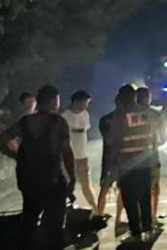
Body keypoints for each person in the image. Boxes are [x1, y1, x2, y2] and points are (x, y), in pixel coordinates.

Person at [0, 85, 74, 250]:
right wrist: (72, 176)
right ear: (54, 101)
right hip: (52, 178)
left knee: (30, 217)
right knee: (54, 219)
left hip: (29, 179)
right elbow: (66, 151)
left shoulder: (24, 123)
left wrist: (17, 156)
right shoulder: (58, 122)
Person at [104, 83, 156, 239]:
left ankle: (135, 229)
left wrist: (111, 163)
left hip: (126, 163)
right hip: (145, 161)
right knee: (144, 196)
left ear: (122, 97)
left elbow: (117, 141)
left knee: (129, 198)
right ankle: (147, 226)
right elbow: (153, 137)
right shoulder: (146, 113)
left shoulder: (120, 115)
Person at [61, 89, 97, 211]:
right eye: (85, 102)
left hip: (82, 156)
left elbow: (84, 131)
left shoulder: (85, 114)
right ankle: (67, 208)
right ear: (76, 102)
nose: (86, 106)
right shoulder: (64, 116)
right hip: (67, 157)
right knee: (66, 184)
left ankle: (96, 209)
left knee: (86, 185)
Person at [136, 86, 166, 222]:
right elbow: (164, 138)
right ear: (148, 98)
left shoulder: (129, 115)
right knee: (154, 188)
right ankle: (152, 218)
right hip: (152, 157)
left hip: (133, 159)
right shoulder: (156, 115)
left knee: (138, 190)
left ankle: (141, 218)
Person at [96, 90, 125, 225]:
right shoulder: (124, 119)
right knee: (120, 189)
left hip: (109, 159)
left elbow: (108, 139)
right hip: (118, 159)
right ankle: (117, 217)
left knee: (106, 188)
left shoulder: (105, 119)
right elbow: (110, 139)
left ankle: (99, 214)